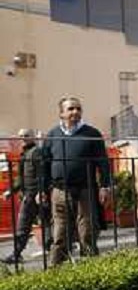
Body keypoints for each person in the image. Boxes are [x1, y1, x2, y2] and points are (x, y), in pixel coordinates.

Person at [42, 96, 111, 266]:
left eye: (78, 108)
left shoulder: (92, 134)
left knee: (87, 232)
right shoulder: (52, 135)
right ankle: (54, 270)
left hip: (85, 190)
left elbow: (102, 162)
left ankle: (90, 269)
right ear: (61, 113)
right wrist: (42, 190)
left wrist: (105, 186)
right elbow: (44, 164)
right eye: (71, 109)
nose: (75, 112)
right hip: (59, 191)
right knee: (59, 234)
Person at [1, 129, 51, 264]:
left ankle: (17, 254)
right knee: (45, 221)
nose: (23, 138)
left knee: (23, 225)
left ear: (33, 137)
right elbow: (22, 178)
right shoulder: (25, 153)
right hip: (30, 195)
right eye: (21, 136)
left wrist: (40, 192)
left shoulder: (35, 152)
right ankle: (50, 248)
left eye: (26, 135)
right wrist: (11, 191)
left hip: (33, 195)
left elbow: (42, 174)